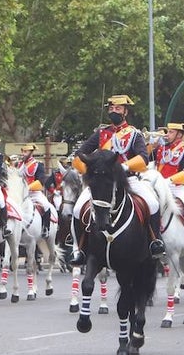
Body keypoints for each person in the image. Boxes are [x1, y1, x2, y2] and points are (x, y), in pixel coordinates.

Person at [70, 95, 165, 262]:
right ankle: (79, 248)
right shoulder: (101, 133)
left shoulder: (134, 134)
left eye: (118, 108)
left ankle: (155, 242)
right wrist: (90, 170)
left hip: (128, 179)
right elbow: (80, 153)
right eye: (111, 108)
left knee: (152, 203)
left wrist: (124, 167)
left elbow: (143, 158)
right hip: (102, 181)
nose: (114, 111)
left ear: (125, 111)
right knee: (78, 208)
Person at [155, 122, 184, 253]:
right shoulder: (160, 148)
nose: (167, 135)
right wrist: (150, 144)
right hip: (159, 185)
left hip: (177, 186)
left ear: (179, 134)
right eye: (167, 132)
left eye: (171, 132)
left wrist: (170, 180)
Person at [16, 143, 53, 239]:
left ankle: (46, 228)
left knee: (46, 206)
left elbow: (41, 180)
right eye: (22, 152)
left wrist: (28, 188)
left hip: (33, 193)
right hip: (19, 194)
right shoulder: (19, 165)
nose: (23, 154)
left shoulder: (38, 164)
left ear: (31, 152)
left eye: (25, 152)